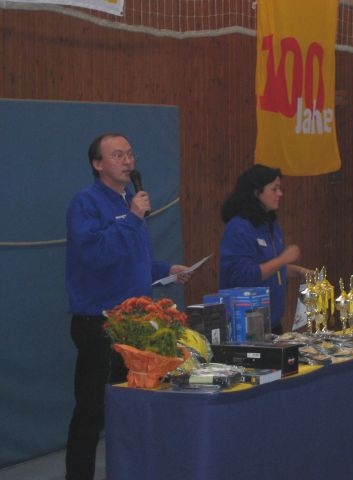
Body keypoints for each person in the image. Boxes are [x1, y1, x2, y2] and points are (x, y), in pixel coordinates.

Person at [64, 132, 191, 480]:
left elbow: (134, 260)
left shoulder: (130, 201)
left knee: (130, 407)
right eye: (117, 155)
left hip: (136, 323)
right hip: (100, 323)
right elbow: (95, 255)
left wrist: (167, 270)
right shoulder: (86, 203)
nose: (127, 161)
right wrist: (133, 219)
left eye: (130, 154)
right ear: (97, 164)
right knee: (91, 413)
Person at [219, 164, 310, 334]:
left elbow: (271, 269)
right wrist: (283, 259)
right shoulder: (239, 228)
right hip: (245, 326)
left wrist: (298, 271)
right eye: (274, 189)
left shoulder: (270, 224)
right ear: (256, 192)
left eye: (280, 189)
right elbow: (243, 276)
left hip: (272, 321)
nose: (280, 194)